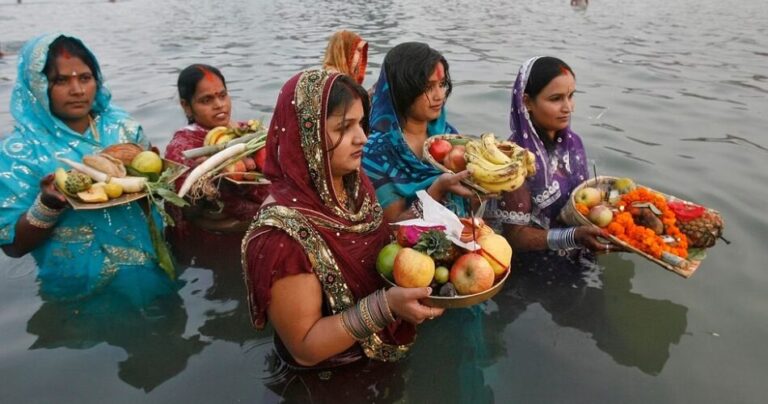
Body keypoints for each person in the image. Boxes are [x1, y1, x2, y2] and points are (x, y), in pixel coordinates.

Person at [243, 69, 442, 369]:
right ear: (306, 137)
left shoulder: (353, 184)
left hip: (378, 358)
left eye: (361, 123)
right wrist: (386, 306)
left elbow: (380, 246)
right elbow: (305, 348)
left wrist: (437, 206)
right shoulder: (281, 236)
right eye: (343, 127)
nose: (362, 138)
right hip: (329, 378)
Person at [0, 33, 177, 305]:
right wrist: (47, 205)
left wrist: (156, 180)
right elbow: (13, 246)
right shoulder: (20, 152)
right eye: (61, 80)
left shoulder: (123, 129)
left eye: (85, 78)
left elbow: (153, 204)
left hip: (151, 272)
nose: (78, 90)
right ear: (37, 86)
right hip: (77, 291)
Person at [486, 56, 611, 258]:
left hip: (580, 252)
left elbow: (582, 203)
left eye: (570, 96)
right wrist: (572, 237)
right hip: (533, 266)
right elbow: (514, 237)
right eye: (556, 99)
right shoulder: (514, 159)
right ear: (527, 102)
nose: (568, 107)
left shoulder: (574, 144)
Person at [164, 64, 267, 268]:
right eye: (206, 100)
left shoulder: (247, 132)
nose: (219, 105)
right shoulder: (183, 148)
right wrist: (209, 177)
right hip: (212, 248)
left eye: (222, 95)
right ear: (186, 106)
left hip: (255, 233)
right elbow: (188, 211)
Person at [362, 42, 474, 222]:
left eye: (442, 84)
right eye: (428, 87)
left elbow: (467, 206)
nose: (439, 95)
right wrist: (437, 190)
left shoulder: (447, 135)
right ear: (402, 90)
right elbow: (394, 225)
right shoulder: (375, 152)